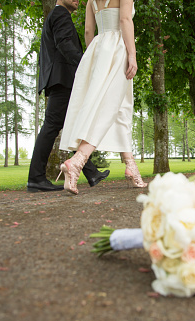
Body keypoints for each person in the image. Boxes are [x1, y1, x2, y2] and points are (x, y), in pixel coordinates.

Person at [57, 0, 146, 195]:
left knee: (122, 106)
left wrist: (96, 56)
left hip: (98, 49)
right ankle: (78, 161)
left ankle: (131, 167)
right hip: (118, 47)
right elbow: (124, 19)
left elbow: (89, 31)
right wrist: (132, 54)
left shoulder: (90, 1)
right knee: (110, 106)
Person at [27, 0, 110, 193]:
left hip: (61, 79)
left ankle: (91, 172)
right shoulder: (60, 14)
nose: (77, 0)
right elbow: (64, 44)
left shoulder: (58, 15)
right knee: (51, 126)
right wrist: (86, 67)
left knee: (71, 126)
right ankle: (36, 178)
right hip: (62, 79)